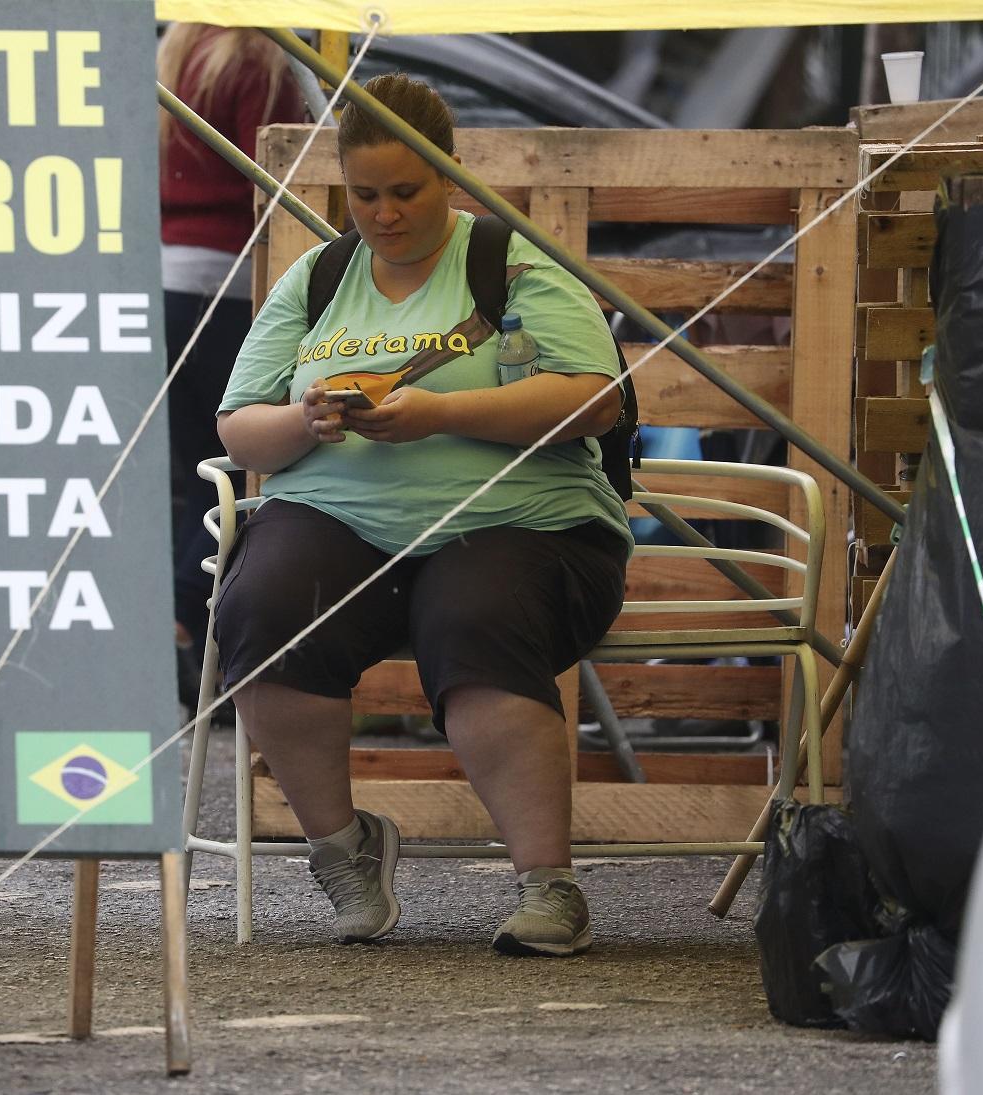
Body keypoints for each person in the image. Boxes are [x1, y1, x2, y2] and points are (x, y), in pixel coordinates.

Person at [213, 73, 632, 956]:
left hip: (522, 521)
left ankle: (548, 884)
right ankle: (342, 849)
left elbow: (595, 400)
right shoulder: (322, 274)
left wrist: (441, 413)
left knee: (475, 612)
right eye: (364, 194)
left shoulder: (508, 260)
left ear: (448, 174)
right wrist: (305, 420)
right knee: (261, 606)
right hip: (339, 517)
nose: (384, 213)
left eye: (406, 190)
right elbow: (238, 427)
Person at [157, 24, 305, 703]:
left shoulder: (176, 50)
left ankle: (176, 620)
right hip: (227, 281)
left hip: (162, 277)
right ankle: (184, 623)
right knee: (234, 463)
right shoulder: (259, 57)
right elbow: (278, 179)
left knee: (191, 468)